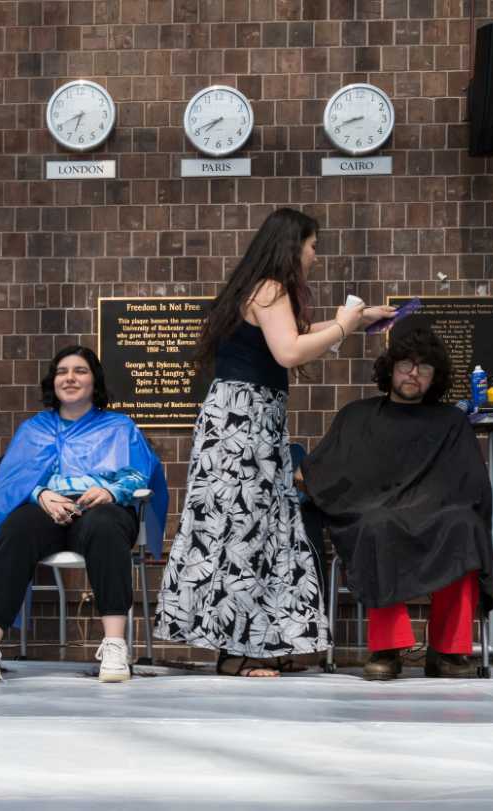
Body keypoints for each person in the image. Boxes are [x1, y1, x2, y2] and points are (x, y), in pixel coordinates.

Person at [153, 207, 394, 677]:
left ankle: (248, 644)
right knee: (243, 527)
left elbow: (295, 336)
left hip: (244, 419)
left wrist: (358, 321)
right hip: (243, 422)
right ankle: (235, 653)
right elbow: (289, 350)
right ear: (292, 245)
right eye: (312, 246)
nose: (315, 257)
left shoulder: (258, 288)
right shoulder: (270, 287)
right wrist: (344, 325)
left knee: (249, 527)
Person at [0, 346, 169, 685]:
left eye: (80, 370)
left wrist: (111, 492)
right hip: (47, 509)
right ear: (53, 381)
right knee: (16, 529)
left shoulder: (118, 427)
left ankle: (115, 646)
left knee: (105, 528)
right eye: (62, 371)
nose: (70, 378)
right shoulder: (35, 428)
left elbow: (139, 474)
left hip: (101, 508)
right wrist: (40, 494)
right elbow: (12, 479)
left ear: (94, 380)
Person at [302, 327, 490, 680]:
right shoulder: (357, 416)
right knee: (376, 525)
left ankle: (448, 651)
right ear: (390, 368)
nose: (414, 374)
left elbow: (471, 483)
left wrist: (429, 505)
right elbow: (323, 470)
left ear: (436, 377)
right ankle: (387, 649)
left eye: (425, 368)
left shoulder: (450, 421)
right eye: (406, 364)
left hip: (435, 514)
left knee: (465, 526)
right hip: (377, 515)